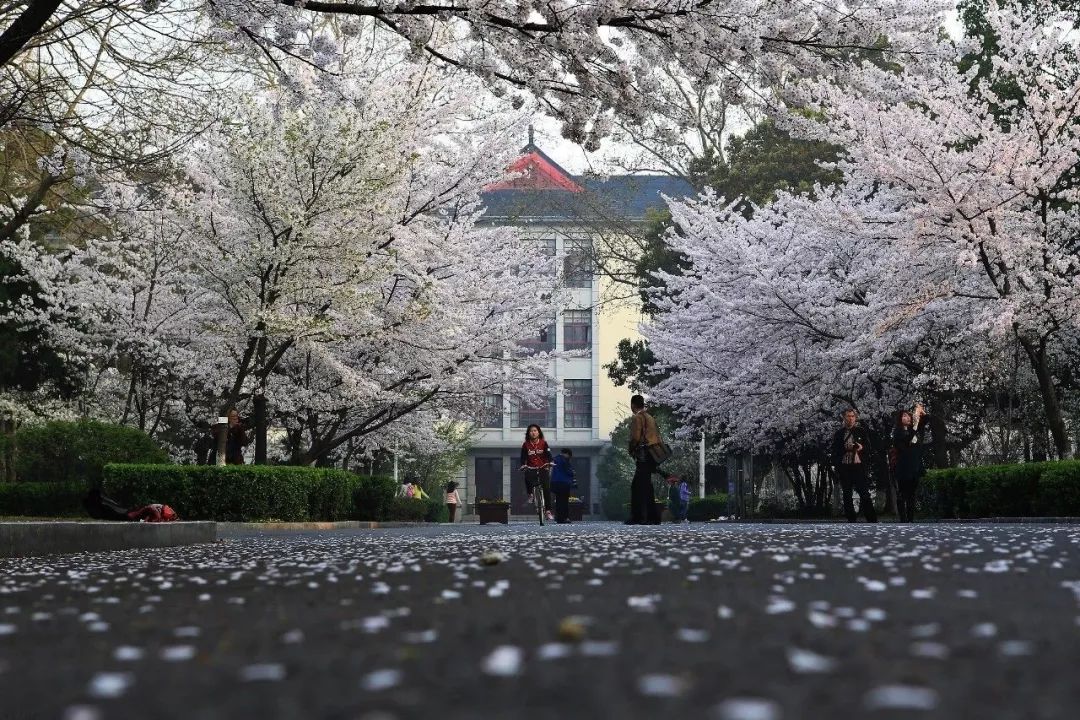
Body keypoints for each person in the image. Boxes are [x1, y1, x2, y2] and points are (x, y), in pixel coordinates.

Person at [830, 408, 878, 523]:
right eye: (848, 416)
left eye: (852, 416)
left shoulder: (861, 431)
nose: (850, 419)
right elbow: (835, 450)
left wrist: (861, 448)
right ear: (844, 418)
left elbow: (868, 447)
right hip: (844, 465)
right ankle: (851, 519)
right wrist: (839, 461)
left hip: (858, 465)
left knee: (864, 493)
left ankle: (871, 518)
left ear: (855, 418)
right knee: (847, 493)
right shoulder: (839, 434)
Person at [627, 394, 662, 525]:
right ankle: (652, 517)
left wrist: (631, 449)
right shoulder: (650, 417)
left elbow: (635, 437)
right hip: (653, 454)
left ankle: (639, 516)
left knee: (637, 486)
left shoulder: (638, 418)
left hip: (643, 454)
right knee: (646, 486)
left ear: (633, 405)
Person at [892, 403, 928, 523]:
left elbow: (926, 421)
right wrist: (915, 426)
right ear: (899, 419)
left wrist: (921, 412)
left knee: (912, 493)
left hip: (915, 465)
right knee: (903, 492)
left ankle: (911, 518)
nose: (907, 418)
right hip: (903, 466)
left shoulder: (915, 430)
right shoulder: (898, 432)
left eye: (908, 416)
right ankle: (903, 518)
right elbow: (906, 441)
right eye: (904, 416)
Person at [519, 424, 554, 520]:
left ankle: (548, 511)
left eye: (535, 431)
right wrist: (523, 465)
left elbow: (549, 454)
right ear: (528, 433)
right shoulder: (526, 444)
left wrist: (550, 462)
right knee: (526, 474)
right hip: (531, 467)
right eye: (531, 431)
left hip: (543, 467)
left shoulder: (544, 443)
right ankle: (530, 494)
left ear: (538, 432)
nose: (533, 433)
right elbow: (523, 457)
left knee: (546, 489)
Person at [550, 448, 576, 523]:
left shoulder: (555, 459)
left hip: (555, 482)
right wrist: (573, 473)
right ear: (567, 454)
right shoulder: (564, 460)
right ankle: (564, 518)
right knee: (564, 501)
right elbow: (568, 471)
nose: (569, 458)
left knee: (558, 500)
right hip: (564, 483)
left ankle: (558, 518)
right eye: (569, 456)